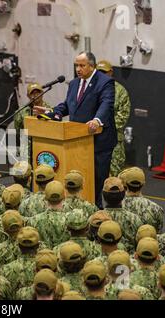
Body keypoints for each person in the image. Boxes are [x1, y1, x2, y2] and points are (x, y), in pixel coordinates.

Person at [35, 52, 116, 208]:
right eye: (76, 65)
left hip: (98, 141)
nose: (78, 69)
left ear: (92, 66)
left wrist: (96, 120)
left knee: (96, 179)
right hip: (76, 141)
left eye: (82, 65)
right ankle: (78, 206)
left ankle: (96, 208)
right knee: (78, 178)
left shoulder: (105, 82)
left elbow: (106, 104)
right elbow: (67, 106)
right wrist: (48, 112)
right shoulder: (73, 84)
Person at [96, 60, 131, 177]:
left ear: (111, 72)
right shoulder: (92, 89)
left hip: (114, 139)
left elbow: (123, 116)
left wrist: (104, 125)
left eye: (104, 72)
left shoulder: (120, 91)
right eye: (99, 72)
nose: (101, 75)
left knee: (114, 174)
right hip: (94, 137)